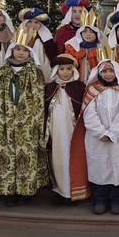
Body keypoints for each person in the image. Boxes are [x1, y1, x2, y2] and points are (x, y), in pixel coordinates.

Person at [0, 25, 49, 207]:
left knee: (26, 155)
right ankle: (8, 190)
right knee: (4, 151)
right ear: (11, 50)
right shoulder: (1, 72)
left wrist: (35, 121)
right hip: (4, 120)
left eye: (24, 50)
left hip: (27, 122)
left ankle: (25, 190)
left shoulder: (35, 73)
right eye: (17, 49)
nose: (21, 53)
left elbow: (38, 99)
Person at [79, 60, 119, 215]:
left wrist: (112, 133)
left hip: (117, 138)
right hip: (96, 138)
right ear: (98, 73)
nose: (108, 74)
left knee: (117, 167)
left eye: (111, 71)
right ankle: (99, 199)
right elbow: (89, 113)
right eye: (104, 72)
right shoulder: (92, 90)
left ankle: (117, 199)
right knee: (99, 168)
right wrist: (100, 132)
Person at [44, 54, 86, 204]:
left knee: (74, 158)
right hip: (56, 131)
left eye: (69, 69)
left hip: (73, 132)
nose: (66, 72)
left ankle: (75, 191)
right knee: (58, 159)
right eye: (62, 69)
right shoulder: (49, 88)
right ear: (56, 70)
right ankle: (62, 191)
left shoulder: (79, 87)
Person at [64, 10, 108, 83]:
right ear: (80, 33)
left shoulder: (101, 50)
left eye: (91, 32)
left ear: (97, 34)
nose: (88, 34)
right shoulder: (72, 48)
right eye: (84, 31)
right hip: (75, 83)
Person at [17, 8, 57, 83]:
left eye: (36, 22)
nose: (33, 25)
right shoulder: (18, 38)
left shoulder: (46, 39)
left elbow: (51, 58)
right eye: (30, 22)